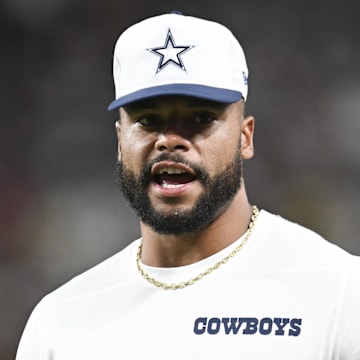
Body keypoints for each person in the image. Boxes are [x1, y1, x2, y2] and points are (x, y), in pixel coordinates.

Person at [16, 12, 360, 360]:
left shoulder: (338, 290)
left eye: (200, 119)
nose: (170, 140)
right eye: (148, 120)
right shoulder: (59, 321)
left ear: (245, 136)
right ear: (121, 142)